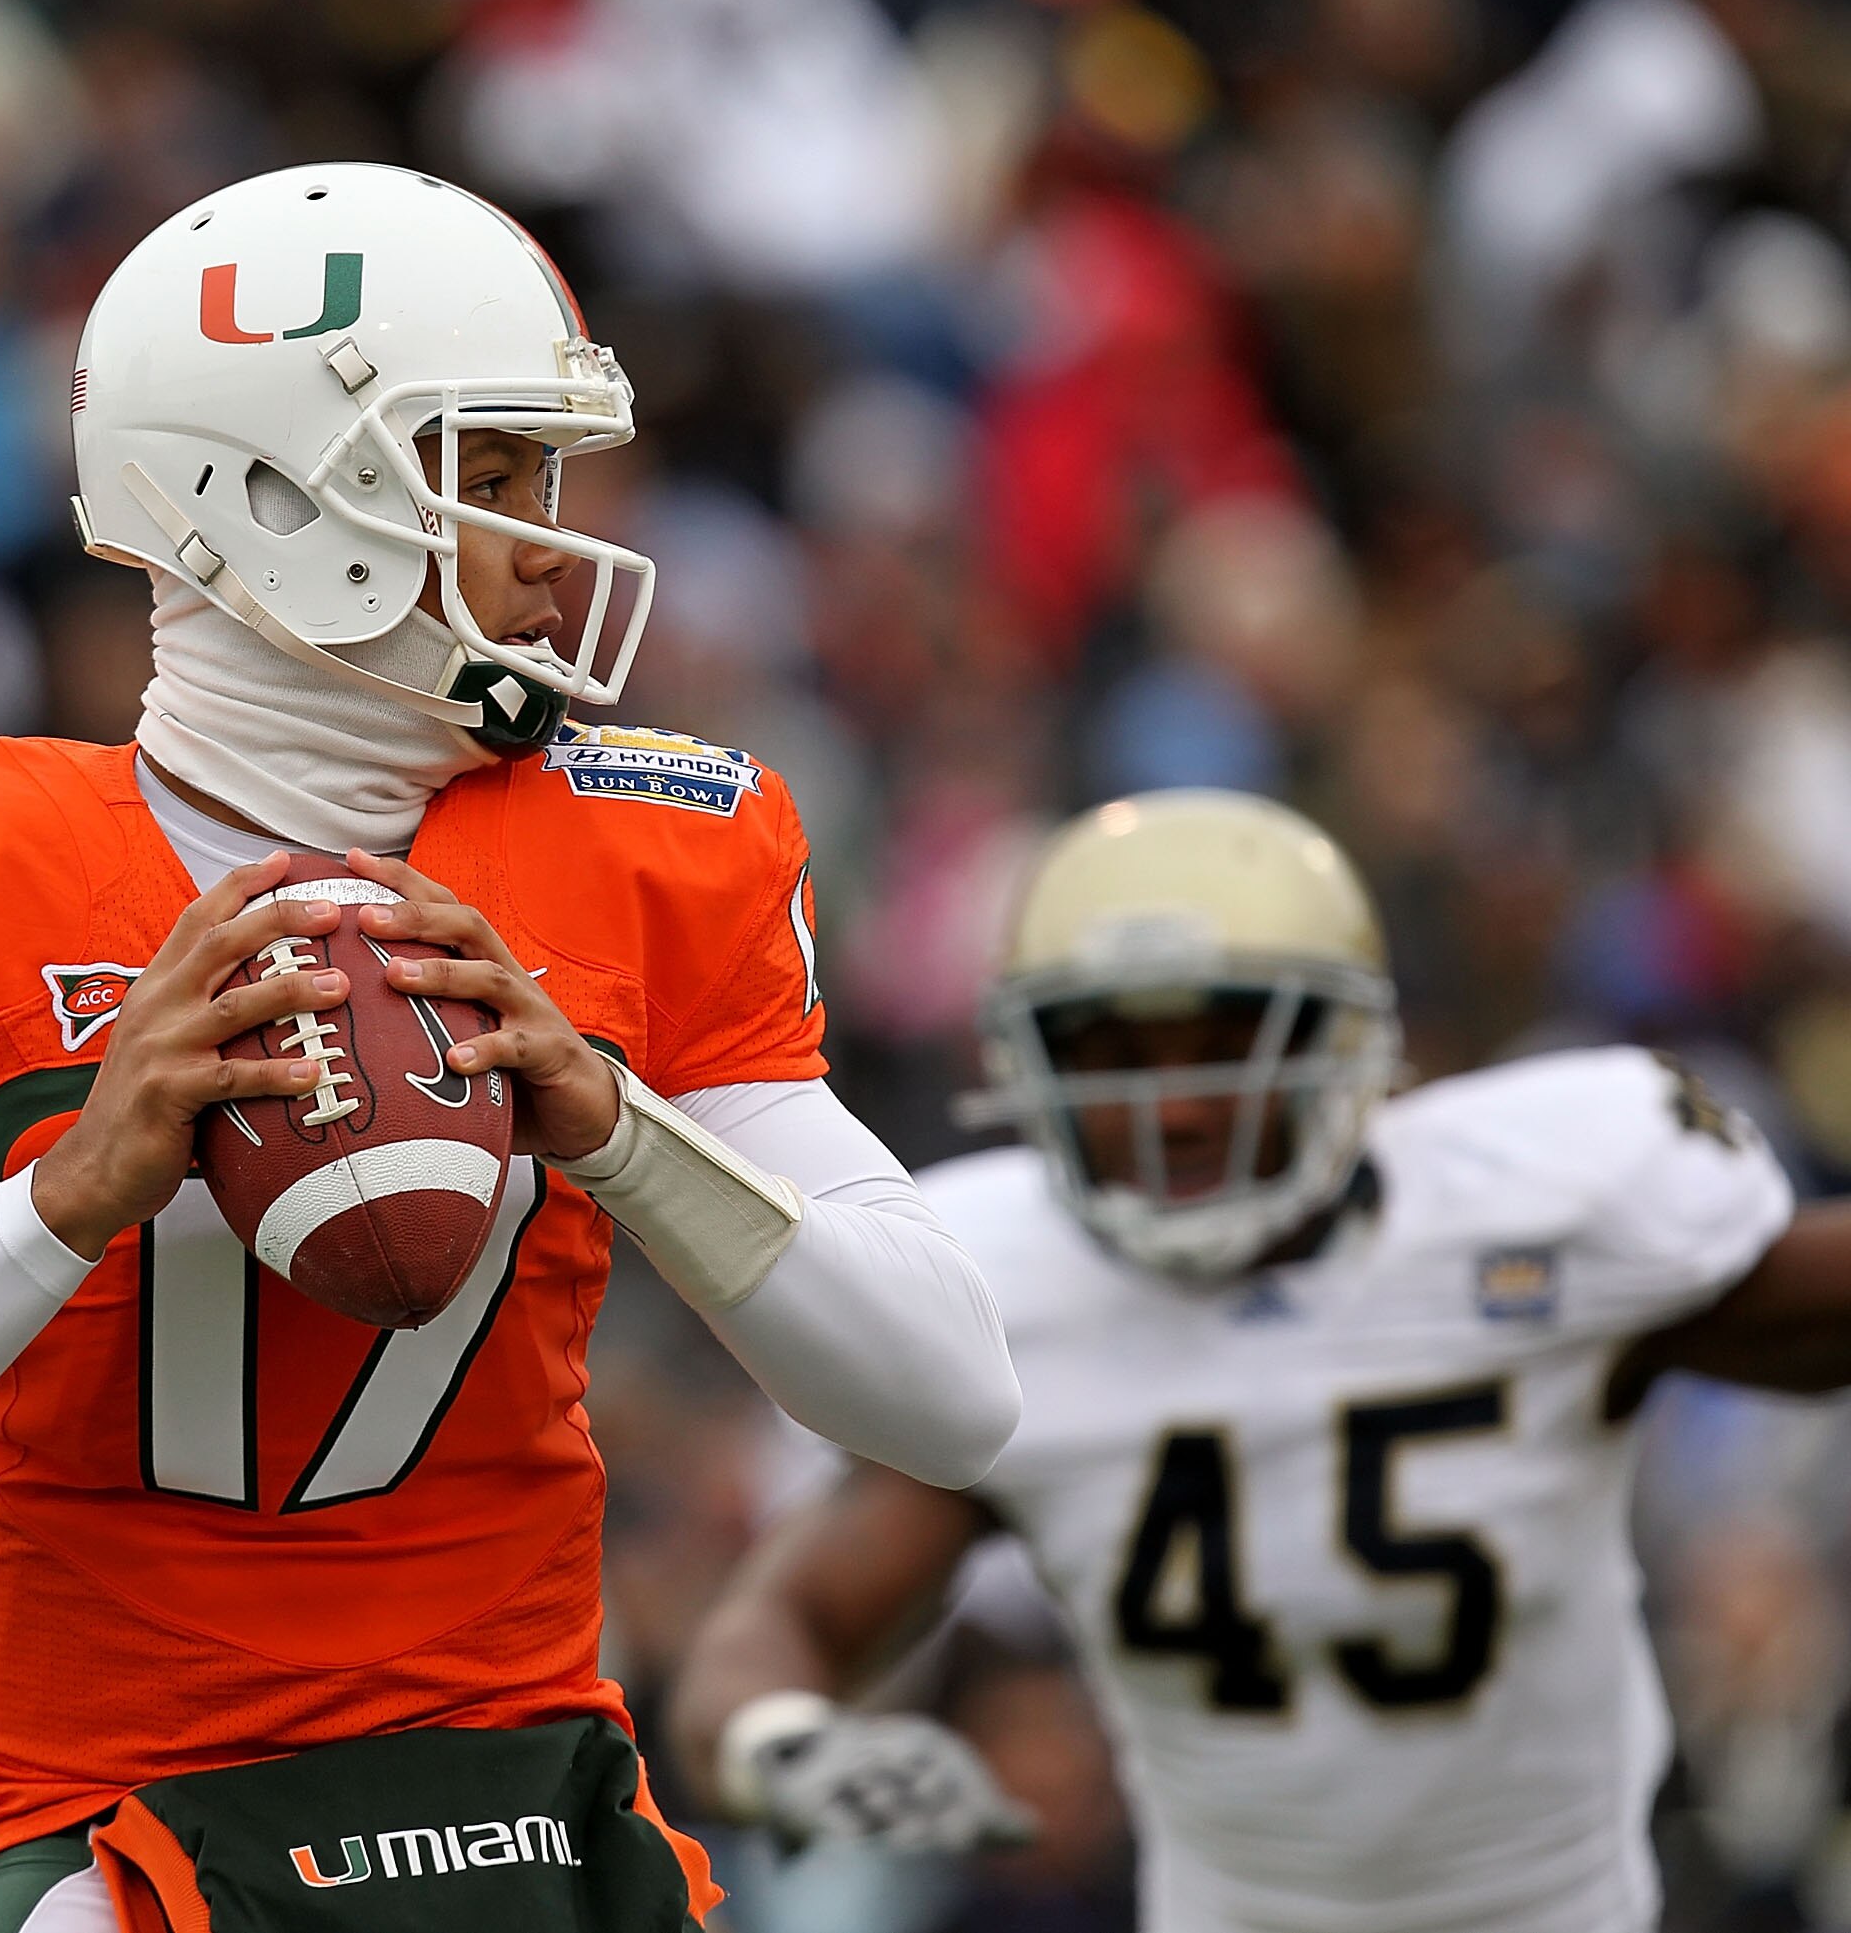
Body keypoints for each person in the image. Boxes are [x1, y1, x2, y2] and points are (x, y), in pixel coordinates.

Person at [0, 163, 1020, 1933]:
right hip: (123, 1836)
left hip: (526, 1808)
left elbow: (954, 1393)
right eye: (494, 476)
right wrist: (65, 1198)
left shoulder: (654, 845)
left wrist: (613, 1124)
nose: (551, 542)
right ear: (282, 501)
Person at [671, 787, 1851, 1933]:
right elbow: (789, 1621)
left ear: (1348, 1049)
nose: (1174, 1110)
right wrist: (784, 1744)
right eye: (1114, 1054)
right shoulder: (1005, 1298)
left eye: (1223, 1044)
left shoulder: (1538, 1214)